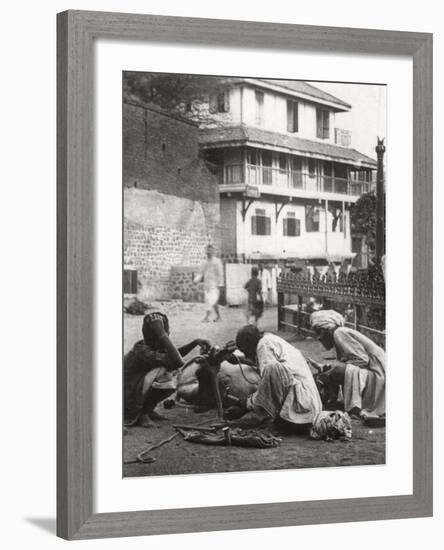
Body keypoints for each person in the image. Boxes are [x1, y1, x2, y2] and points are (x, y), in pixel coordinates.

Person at [124, 311, 209, 427]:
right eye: (164, 330)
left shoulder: (153, 345)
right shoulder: (142, 350)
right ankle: (141, 413)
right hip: (127, 393)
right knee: (164, 374)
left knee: (165, 374)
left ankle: (148, 409)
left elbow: (175, 355)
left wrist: (195, 342)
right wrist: (161, 333)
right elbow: (177, 361)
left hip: (134, 387)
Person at [228, 325, 322, 429]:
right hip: (309, 401)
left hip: (302, 404)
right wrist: (239, 359)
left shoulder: (263, 345)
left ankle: (261, 416)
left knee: (271, 369)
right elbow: (260, 363)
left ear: (250, 343)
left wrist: (245, 404)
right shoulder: (269, 339)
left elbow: (267, 383)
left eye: (245, 350)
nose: (245, 354)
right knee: (271, 369)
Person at [310, 310, 385, 420]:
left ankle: (346, 405)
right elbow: (350, 361)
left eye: (319, 332)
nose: (318, 338)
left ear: (326, 330)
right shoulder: (338, 334)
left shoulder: (339, 333)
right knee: (330, 372)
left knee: (335, 372)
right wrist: (326, 367)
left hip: (379, 373)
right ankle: (332, 402)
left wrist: (331, 370)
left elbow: (362, 360)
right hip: (375, 371)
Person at [194, 244, 224, 322]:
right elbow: (200, 273)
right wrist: (196, 280)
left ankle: (207, 317)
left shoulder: (217, 261)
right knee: (210, 301)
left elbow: (220, 273)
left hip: (215, 285)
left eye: (210, 251)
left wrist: (220, 284)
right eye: (207, 251)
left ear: (213, 252)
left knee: (212, 301)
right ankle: (218, 317)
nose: (209, 252)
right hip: (207, 285)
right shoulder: (204, 262)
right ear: (206, 252)